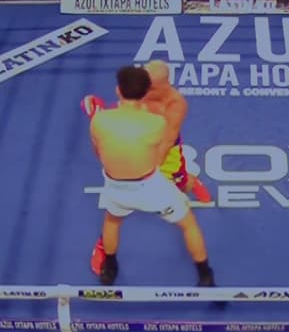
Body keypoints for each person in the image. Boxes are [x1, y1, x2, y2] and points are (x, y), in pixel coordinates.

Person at [87, 66, 215, 287]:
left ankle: (110, 267)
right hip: (150, 187)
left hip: (115, 186)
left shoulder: (98, 121)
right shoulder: (156, 124)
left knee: (112, 220)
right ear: (146, 91)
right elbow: (155, 159)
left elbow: (98, 153)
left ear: (118, 90)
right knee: (188, 224)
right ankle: (206, 275)